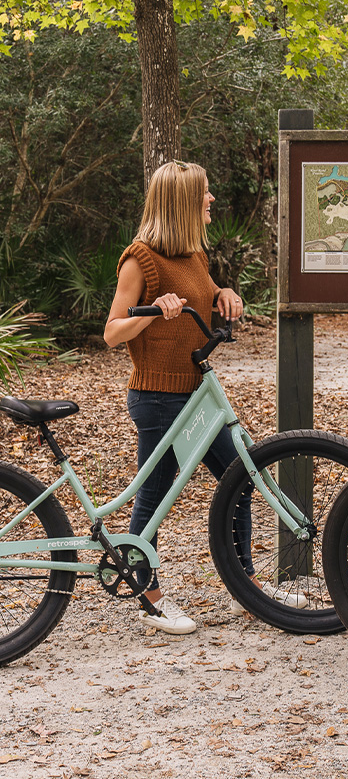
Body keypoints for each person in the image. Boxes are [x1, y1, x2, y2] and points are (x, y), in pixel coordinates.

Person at [104, 159, 250, 635]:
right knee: (155, 496)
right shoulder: (140, 258)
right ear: (183, 202)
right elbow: (112, 332)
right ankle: (148, 593)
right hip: (159, 397)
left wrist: (225, 293)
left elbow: (201, 297)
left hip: (194, 396)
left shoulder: (194, 256)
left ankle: (247, 589)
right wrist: (153, 311)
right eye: (204, 194)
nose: (211, 200)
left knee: (239, 477)